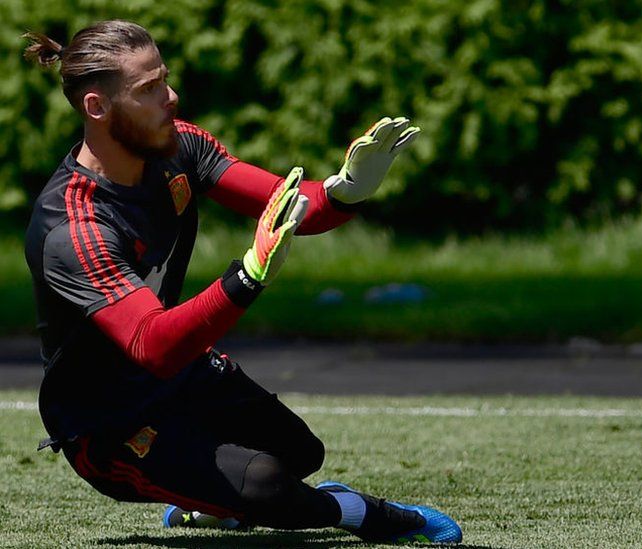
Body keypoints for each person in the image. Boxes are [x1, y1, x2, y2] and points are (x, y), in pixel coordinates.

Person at [22, 20, 461, 545]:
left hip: (179, 376)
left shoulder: (179, 146)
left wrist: (346, 191)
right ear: (97, 107)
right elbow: (149, 346)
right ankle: (366, 514)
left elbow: (290, 204)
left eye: (165, 78)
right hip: (108, 422)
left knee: (300, 454)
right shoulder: (72, 226)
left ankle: (206, 507)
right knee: (269, 486)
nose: (171, 97)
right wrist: (247, 277)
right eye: (149, 90)